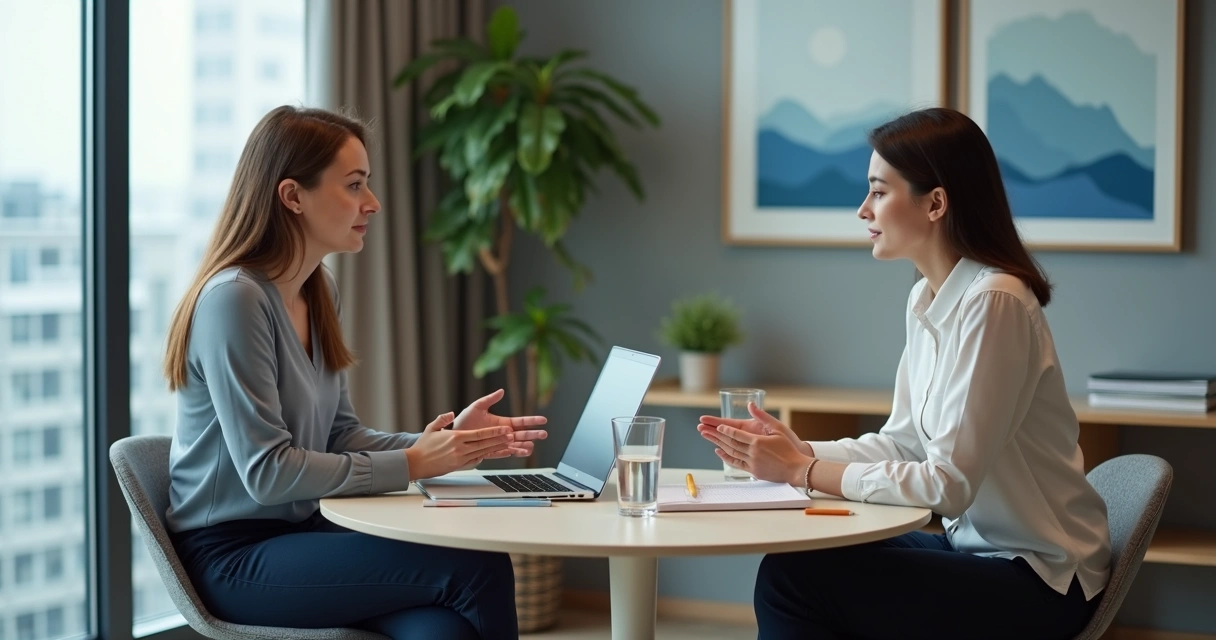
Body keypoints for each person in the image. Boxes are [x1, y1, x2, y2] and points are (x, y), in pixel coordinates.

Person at [698, 107, 1110, 640]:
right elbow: (905, 444)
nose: (862, 210)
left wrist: (800, 471)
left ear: (936, 202)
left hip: (1040, 576)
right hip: (974, 547)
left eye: (877, 192)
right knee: (802, 557)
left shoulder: (995, 302)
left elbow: (948, 485)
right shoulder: (927, 298)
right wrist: (799, 448)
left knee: (795, 580)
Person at [162, 105, 546, 640]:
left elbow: (341, 434)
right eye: (355, 185)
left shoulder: (318, 289)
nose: (373, 203)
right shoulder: (234, 300)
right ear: (293, 196)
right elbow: (268, 472)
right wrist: (413, 463)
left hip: (307, 531)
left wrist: (445, 446)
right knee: (476, 564)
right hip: (233, 555)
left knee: (443, 628)